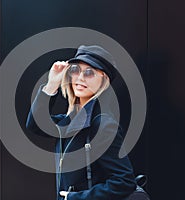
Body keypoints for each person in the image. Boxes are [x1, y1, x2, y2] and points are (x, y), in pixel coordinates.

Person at [26, 45, 136, 200]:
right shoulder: (68, 121)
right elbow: (35, 125)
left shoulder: (103, 125)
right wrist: (52, 85)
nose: (80, 77)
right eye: (75, 70)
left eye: (89, 72)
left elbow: (124, 182)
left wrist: (75, 198)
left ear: (104, 80)